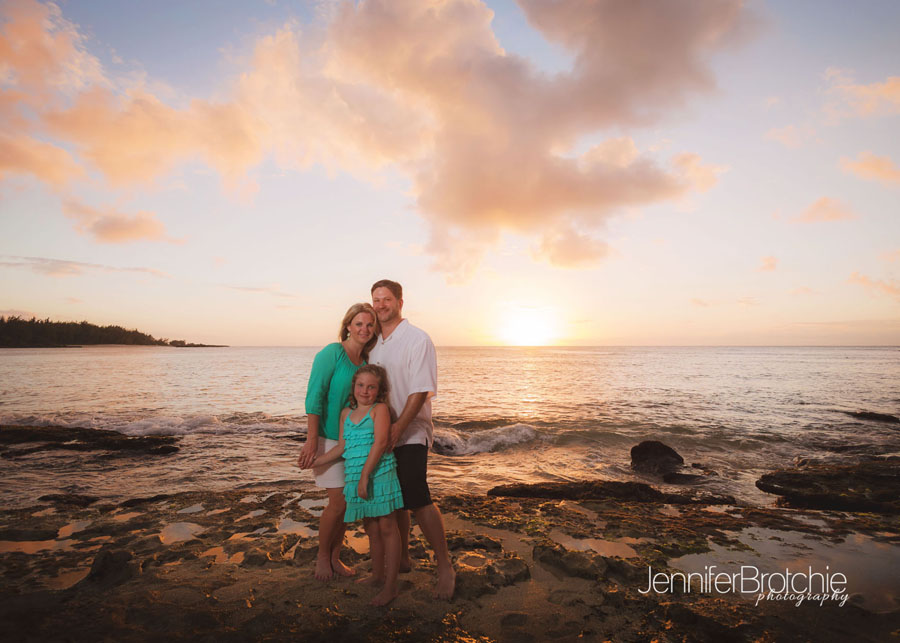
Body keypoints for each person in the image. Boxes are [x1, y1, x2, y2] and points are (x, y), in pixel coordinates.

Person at [368, 279, 456, 600]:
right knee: (394, 499)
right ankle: (403, 558)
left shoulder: (417, 339)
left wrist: (399, 428)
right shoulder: (373, 343)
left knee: (418, 498)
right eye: (376, 300)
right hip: (381, 435)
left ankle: (444, 565)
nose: (380, 305)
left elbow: (420, 391)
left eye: (386, 299)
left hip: (413, 431)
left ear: (400, 302)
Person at [306, 365, 403, 606]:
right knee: (371, 527)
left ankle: (391, 587)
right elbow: (341, 447)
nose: (365, 391)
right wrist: (315, 461)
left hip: (379, 474)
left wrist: (365, 477)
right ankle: (377, 576)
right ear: (354, 387)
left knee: (388, 527)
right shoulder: (346, 414)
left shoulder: (380, 410)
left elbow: (380, 443)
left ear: (379, 390)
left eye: (371, 387)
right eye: (361, 385)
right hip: (355, 474)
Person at [297, 302, 377, 581]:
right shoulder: (332, 353)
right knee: (337, 503)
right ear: (348, 326)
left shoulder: (366, 364)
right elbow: (314, 396)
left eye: (369, 325)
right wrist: (311, 441)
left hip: (352, 442)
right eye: (359, 324)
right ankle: (322, 557)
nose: (364, 329)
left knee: (347, 501)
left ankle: (335, 557)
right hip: (326, 438)